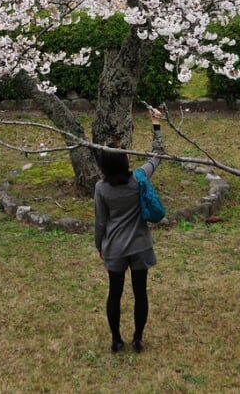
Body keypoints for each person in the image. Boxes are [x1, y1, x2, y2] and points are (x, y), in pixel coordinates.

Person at [94, 106, 164, 354]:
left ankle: (116, 340)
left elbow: (100, 222)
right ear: (124, 161)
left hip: (114, 247)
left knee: (114, 293)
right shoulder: (139, 178)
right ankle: (138, 339)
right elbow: (157, 155)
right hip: (140, 245)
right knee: (140, 293)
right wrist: (156, 124)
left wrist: (99, 246)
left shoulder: (101, 188)